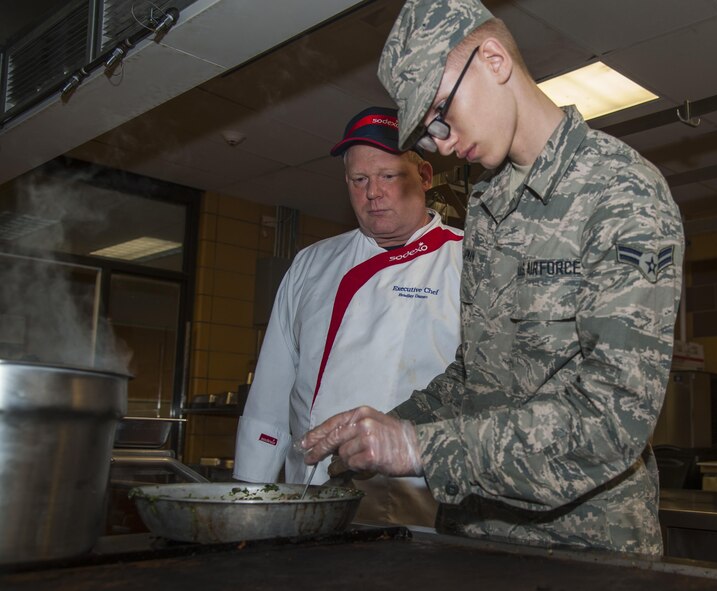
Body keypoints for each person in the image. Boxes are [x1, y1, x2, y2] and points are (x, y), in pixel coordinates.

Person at [303, 0, 684, 556]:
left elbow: (611, 419)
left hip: (584, 549)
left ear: (494, 59)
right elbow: (475, 375)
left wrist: (417, 447)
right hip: (478, 537)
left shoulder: (622, 192)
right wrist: (384, 427)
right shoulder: (487, 202)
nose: (444, 142)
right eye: (429, 135)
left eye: (439, 114)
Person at [233, 106, 463, 527]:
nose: (372, 192)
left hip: (416, 502)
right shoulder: (311, 263)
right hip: (306, 492)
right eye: (359, 180)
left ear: (425, 177)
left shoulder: (467, 260)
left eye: (389, 176)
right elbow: (271, 389)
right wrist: (250, 499)